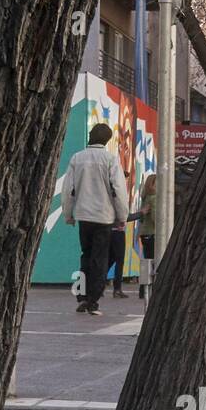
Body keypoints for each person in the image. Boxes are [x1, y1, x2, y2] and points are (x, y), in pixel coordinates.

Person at [61, 122, 128, 316]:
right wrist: (122, 216)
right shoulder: (110, 160)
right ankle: (93, 299)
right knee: (100, 258)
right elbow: (119, 191)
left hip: (83, 216)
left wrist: (68, 214)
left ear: (91, 136)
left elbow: (68, 190)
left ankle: (81, 296)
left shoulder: (77, 158)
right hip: (104, 217)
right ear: (107, 140)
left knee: (86, 256)